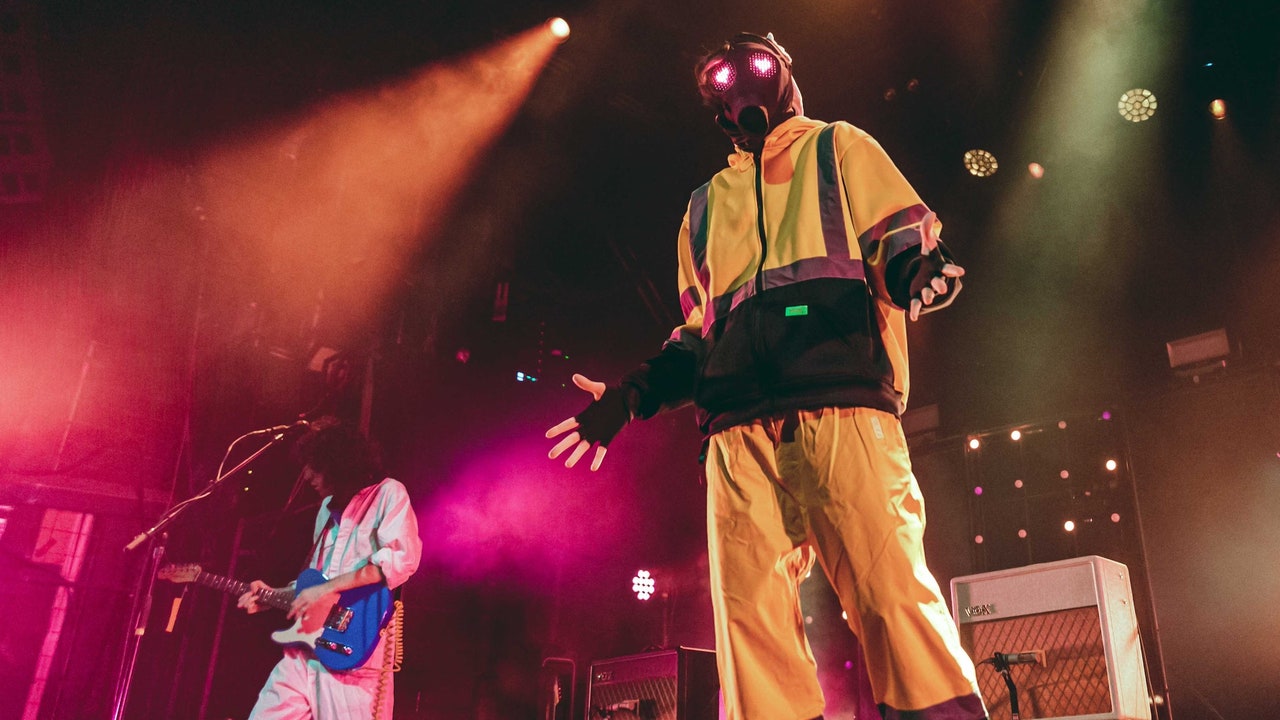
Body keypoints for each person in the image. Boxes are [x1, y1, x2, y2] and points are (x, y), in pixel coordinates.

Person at [546, 33, 986, 720]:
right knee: (749, 631)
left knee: (893, 600)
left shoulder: (839, 147)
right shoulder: (702, 207)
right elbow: (698, 336)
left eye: (752, 65)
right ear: (712, 104)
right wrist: (630, 396)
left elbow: (900, 243)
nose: (738, 84)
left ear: (783, 70)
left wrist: (919, 274)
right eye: (719, 77)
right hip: (735, 437)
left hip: (844, 411)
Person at [237, 420, 422, 720]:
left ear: (338, 464)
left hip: (354, 657)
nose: (307, 475)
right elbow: (317, 580)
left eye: (315, 466)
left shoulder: (388, 494)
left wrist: (326, 589)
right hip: (305, 651)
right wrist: (273, 595)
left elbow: (401, 560)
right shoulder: (325, 510)